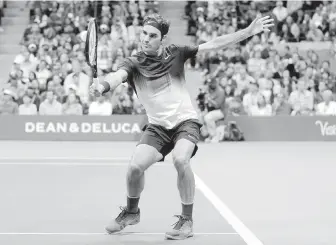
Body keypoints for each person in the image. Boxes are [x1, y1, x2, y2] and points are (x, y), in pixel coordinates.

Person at [90, 13, 274, 240]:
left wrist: (247, 32)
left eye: (152, 35)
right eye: (144, 34)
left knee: (180, 159)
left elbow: (214, 44)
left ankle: (186, 220)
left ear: (162, 39)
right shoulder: (134, 62)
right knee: (135, 168)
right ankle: (131, 212)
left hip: (185, 123)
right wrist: (104, 86)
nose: (146, 39)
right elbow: (118, 76)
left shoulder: (176, 53)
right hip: (157, 128)